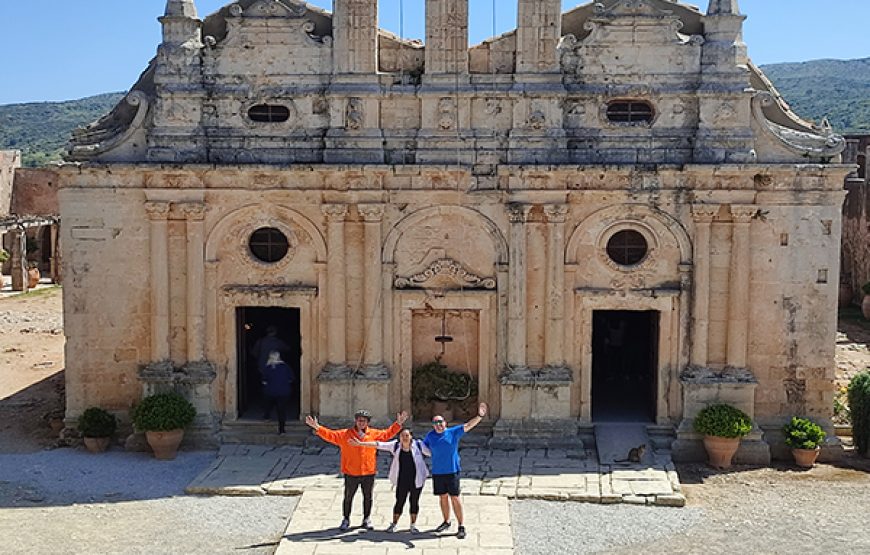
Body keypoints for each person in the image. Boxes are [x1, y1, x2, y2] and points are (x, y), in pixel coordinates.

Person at [305, 409, 408, 531]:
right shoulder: (345, 434)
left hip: (368, 472)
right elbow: (330, 435)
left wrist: (398, 424)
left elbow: (387, 434)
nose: (361, 423)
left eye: (364, 421)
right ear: (355, 421)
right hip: (351, 472)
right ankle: (346, 518)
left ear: (368, 422)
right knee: (348, 496)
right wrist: (317, 427)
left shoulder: (373, 434)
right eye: (359, 420)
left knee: (368, 497)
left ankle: (366, 518)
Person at [424, 402, 488, 540]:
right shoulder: (430, 436)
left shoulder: (453, 432)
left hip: (452, 471)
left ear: (445, 423)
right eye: (435, 423)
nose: (438, 425)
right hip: (437, 472)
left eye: (440, 422)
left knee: (455, 497)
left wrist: (479, 416)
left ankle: (461, 525)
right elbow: (423, 449)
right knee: (442, 497)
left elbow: (468, 426)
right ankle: (446, 521)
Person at [350, 428, 431, 533]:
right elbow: (378, 444)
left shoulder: (419, 445)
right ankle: (394, 523)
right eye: (402, 436)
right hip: (402, 480)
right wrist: (361, 443)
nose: (405, 438)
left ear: (411, 436)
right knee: (399, 502)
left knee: (414, 502)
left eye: (407, 436)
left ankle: (413, 525)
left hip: (416, 480)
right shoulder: (395, 446)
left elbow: (432, 453)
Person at [260, 351, 294, 434]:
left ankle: (266, 417)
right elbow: (291, 379)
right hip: (284, 391)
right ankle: (281, 430)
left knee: (268, 404)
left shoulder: (268, 368)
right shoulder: (286, 367)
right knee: (281, 410)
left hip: (270, 391)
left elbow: (264, 381)